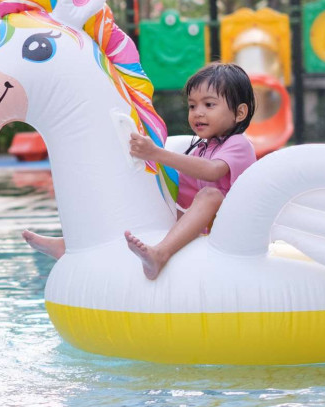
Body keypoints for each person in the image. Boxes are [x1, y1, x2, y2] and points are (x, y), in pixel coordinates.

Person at [23, 62, 257, 280]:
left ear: (239, 113)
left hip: (227, 229)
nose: (198, 112)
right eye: (192, 105)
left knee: (210, 195)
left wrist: (156, 154)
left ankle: (161, 254)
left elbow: (213, 171)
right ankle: (75, 244)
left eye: (209, 104)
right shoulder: (199, 149)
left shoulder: (238, 144)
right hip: (191, 222)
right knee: (142, 197)